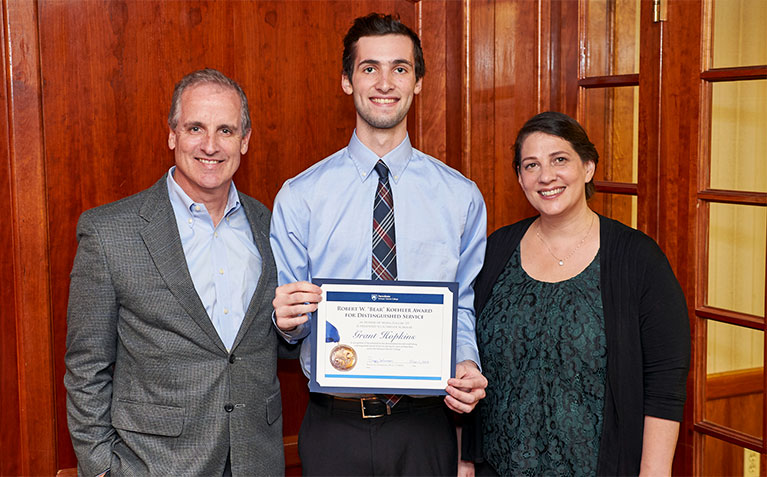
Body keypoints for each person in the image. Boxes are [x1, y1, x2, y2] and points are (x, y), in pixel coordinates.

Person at [269, 13, 488, 476]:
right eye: (369, 68)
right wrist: (286, 322)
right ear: (347, 81)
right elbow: (293, 326)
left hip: (425, 428)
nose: (384, 82)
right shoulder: (300, 196)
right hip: (334, 429)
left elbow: (462, 307)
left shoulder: (461, 197)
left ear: (418, 81)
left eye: (400, 68)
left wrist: (466, 362)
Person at [64, 69, 284, 476]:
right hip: (153, 465)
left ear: (245, 141)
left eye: (226, 130)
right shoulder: (109, 233)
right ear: (173, 135)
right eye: (195, 128)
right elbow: (86, 366)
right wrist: (100, 467)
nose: (210, 146)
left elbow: (275, 336)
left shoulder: (269, 225)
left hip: (257, 460)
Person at [460, 111, 691, 476]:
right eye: (531, 165)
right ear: (520, 177)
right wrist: (465, 460)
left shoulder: (637, 259)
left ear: (588, 167)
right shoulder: (496, 251)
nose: (546, 176)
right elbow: (465, 359)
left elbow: (665, 386)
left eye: (560, 160)